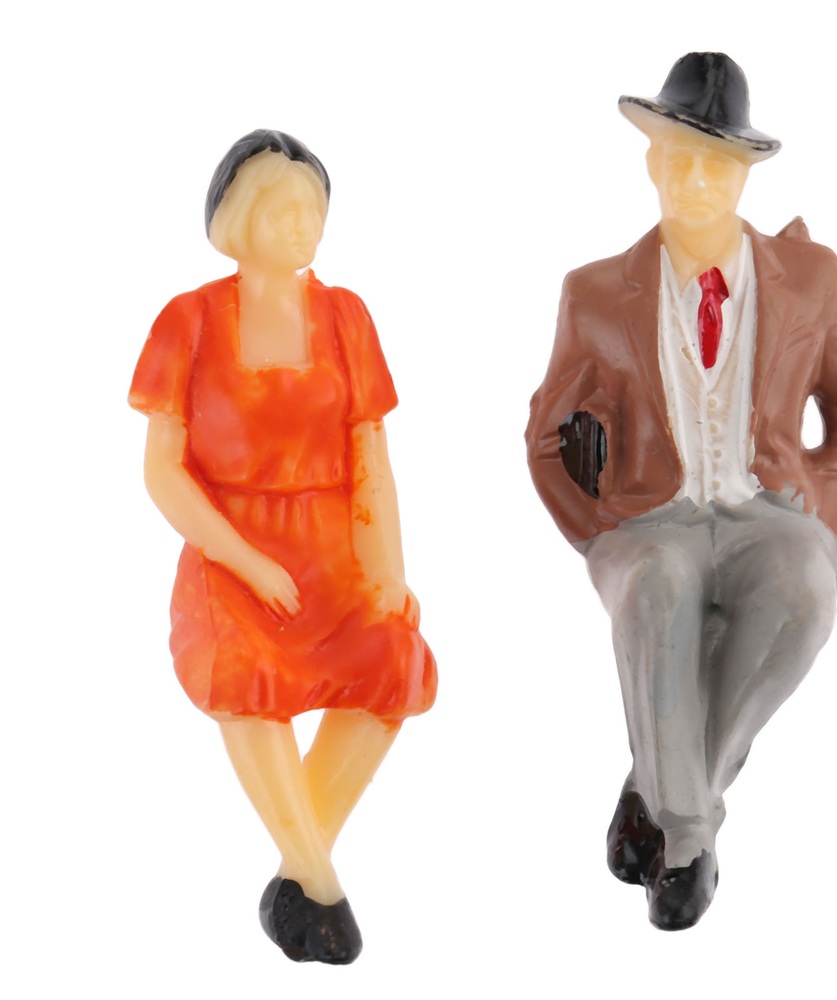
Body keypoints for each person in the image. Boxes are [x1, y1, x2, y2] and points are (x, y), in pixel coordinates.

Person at [525, 53, 837, 930]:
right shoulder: (594, 294)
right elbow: (543, 436)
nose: (696, 182)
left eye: (717, 166)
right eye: (679, 161)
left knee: (804, 592)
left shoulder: (811, 279)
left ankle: (658, 790)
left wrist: (823, 514)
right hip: (652, 519)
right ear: (651, 163)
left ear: (746, 173)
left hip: (767, 511)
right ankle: (687, 840)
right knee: (656, 588)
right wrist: (598, 531)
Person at [129, 130, 436, 964]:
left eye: (313, 209)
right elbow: (162, 473)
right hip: (229, 556)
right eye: (281, 210)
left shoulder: (346, 316)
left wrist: (389, 572)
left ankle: (297, 868)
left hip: (332, 551)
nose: (303, 225)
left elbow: (373, 460)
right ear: (237, 219)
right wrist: (247, 561)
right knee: (248, 677)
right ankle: (321, 886)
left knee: (395, 662)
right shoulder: (189, 321)